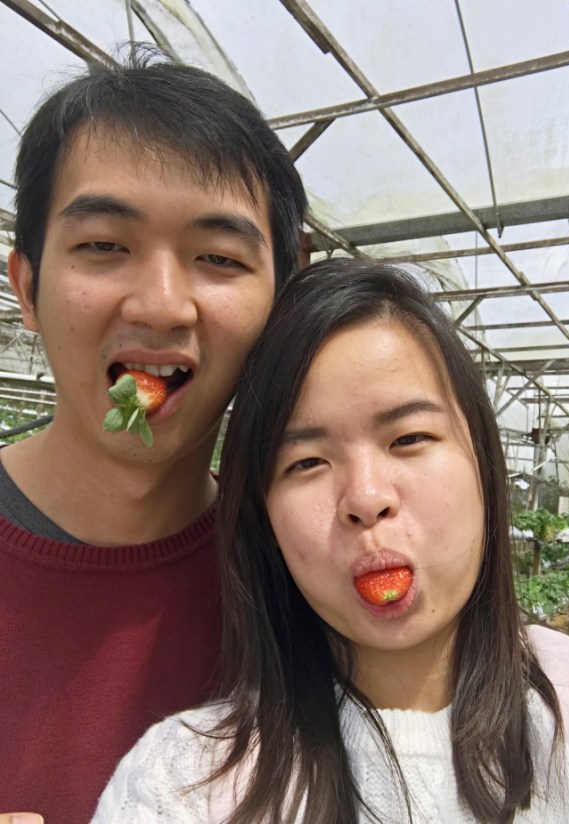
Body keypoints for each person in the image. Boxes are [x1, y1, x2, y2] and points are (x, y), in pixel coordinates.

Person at [92, 258, 569, 822]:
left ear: (483, 466)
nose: (366, 499)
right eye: (308, 461)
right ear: (263, 516)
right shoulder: (179, 791)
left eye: (410, 437)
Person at [0, 44, 306, 824]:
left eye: (218, 256)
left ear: (286, 294)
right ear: (27, 286)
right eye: (104, 246)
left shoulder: (306, 580)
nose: (164, 305)